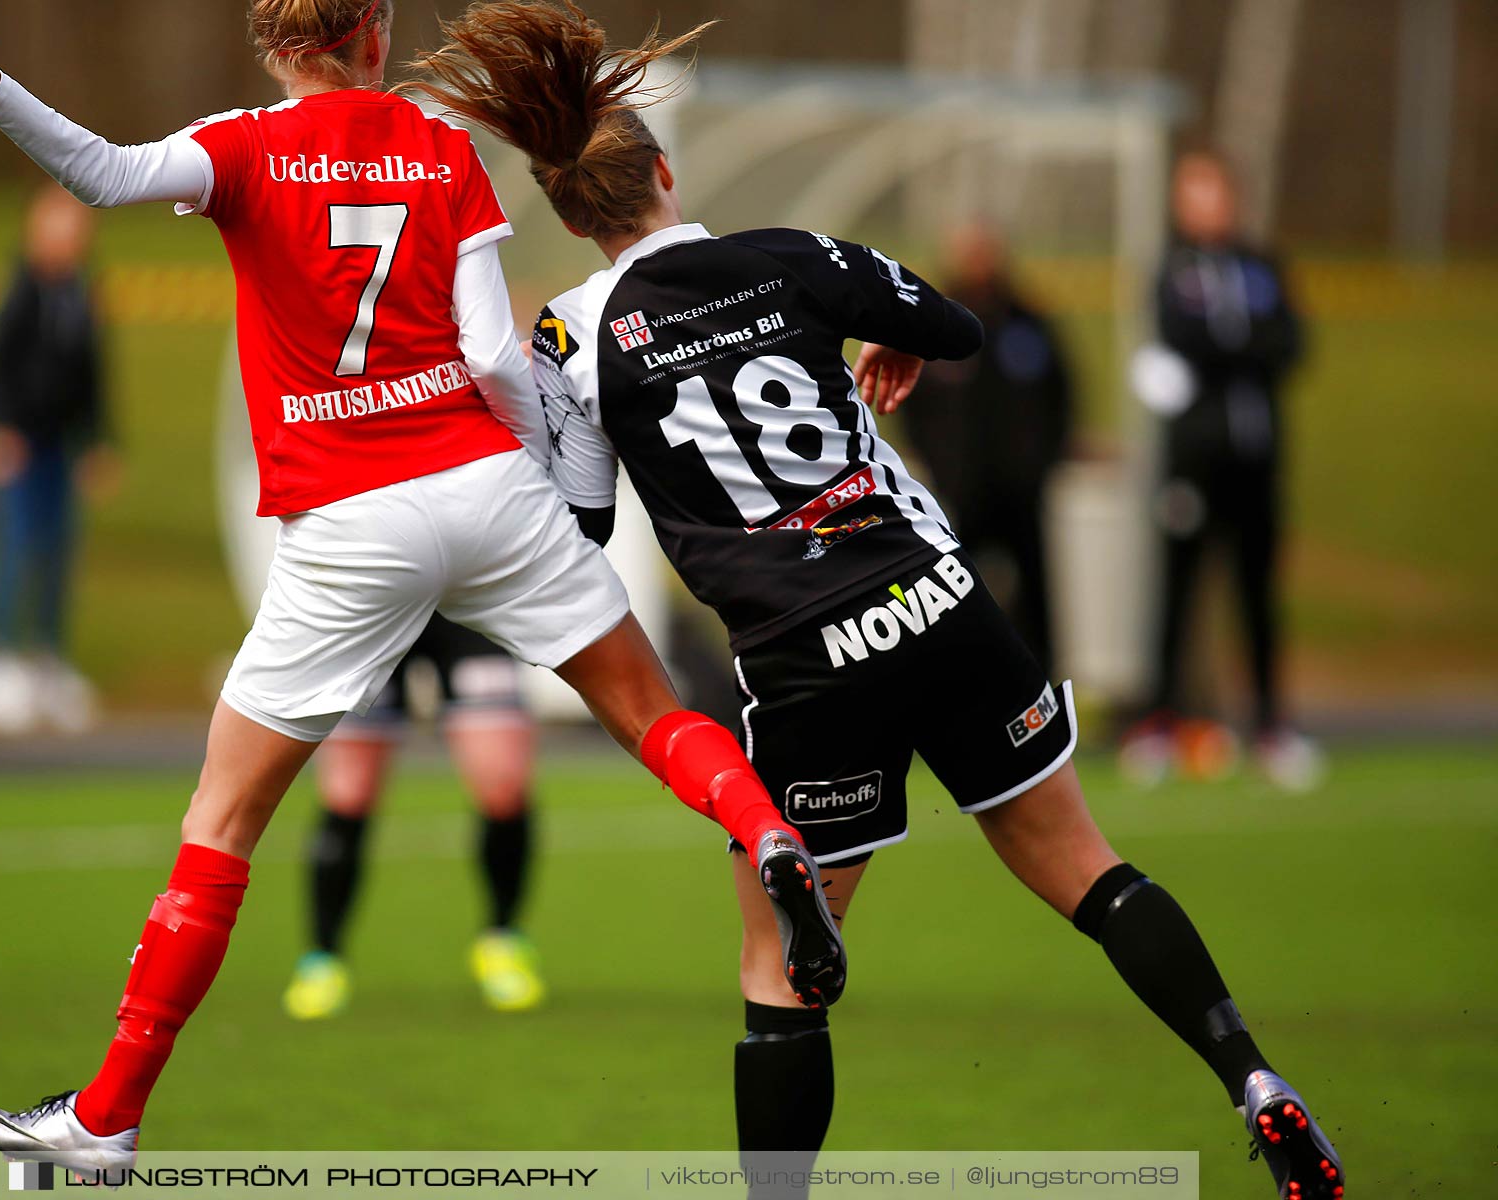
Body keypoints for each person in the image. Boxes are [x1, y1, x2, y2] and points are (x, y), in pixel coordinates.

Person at [409, 6, 1344, 1197]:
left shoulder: (570, 338)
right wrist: (891, 348)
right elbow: (949, 325)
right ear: (667, 174)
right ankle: (1251, 1077)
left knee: (781, 972)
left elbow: (585, 520)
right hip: (935, 598)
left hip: (803, 656)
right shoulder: (789, 253)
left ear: (573, 213)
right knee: (1091, 871)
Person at [0, 4, 842, 1177]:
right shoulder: (440, 146)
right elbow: (500, 358)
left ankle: (107, 1117)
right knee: (655, 716)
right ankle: (769, 831)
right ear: (378, 31)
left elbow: (100, 176)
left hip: (350, 523)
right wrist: (553, 494)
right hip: (485, 485)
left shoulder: (246, 147)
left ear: (274, 45)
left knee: (224, 819)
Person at [1122, 150, 1319, 792]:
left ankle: (1269, 726)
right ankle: (1159, 722)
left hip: (1257, 457)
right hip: (1193, 461)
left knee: (1258, 592)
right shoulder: (1172, 270)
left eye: (1214, 192)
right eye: (1194, 193)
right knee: (1177, 589)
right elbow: (1182, 337)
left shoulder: (1261, 266)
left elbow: (1290, 342)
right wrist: (1241, 346)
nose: (1207, 205)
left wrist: (1238, 346)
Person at [285, 613, 545, 1019]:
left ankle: (502, 940)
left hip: (466, 597)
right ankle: (323, 959)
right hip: (378, 601)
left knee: (504, 786)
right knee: (348, 794)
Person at [0, 185, 111, 737]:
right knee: (15, 550)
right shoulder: (20, 290)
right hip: (19, 449)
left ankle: (48, 660)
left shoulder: (82, 293)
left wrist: (97, 440)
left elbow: (94, 374)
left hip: (60, 449)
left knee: (57, 554)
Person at [898, 220, 1071, 673]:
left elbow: (1060, 395)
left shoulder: (1027, 321)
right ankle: (956, 682)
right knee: (953, 592)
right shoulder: (932, 321)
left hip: (1021, 486)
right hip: (959, 490)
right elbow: (911, 406)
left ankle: (1040, 682)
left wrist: (1042, 462)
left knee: (1035, 596)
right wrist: (940, 467)